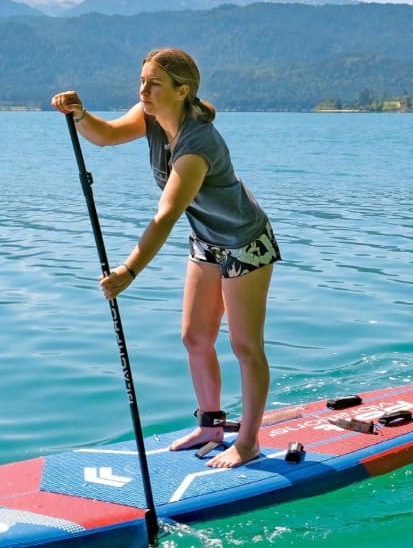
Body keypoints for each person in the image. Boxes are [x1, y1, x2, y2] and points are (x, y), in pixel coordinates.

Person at [51, 48, 280, 469]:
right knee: (194, 337)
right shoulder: (151, 114)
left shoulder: (198, 145)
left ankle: (247, 443)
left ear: (182, 91)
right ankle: (211, 426)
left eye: (153, 84)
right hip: (207, 240)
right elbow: (106, 135)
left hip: (245, 241)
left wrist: (129, 270)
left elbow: (166, 215)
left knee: (245, 345)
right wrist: (80, 115)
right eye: (141, 81)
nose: (143, 91)